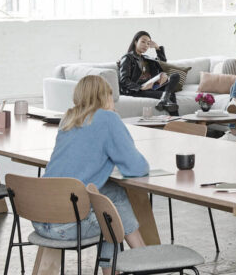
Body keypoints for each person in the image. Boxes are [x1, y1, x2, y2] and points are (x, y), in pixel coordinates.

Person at [33, 75, 149, 275]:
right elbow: (137, 168)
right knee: (110, 216)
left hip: (41, 219)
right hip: (67, 226)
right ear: (105, 97)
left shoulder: (68, 119)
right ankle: (144, 261)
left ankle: (140, 258)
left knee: (112, 192)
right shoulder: (107, 118)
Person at [118, 31, 179, 115]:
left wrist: (157, 48)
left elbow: (162, 64)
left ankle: (164, 99)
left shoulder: (146, 58)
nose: (146, 45)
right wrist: (141, 87)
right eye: (143, 41)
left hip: (151, 86)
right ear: (136, 42)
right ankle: (176, 122)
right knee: (171, 95)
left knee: (175, 76)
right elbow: (124, 80)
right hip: (136, 90)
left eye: (148, 43)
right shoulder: (127, 58)